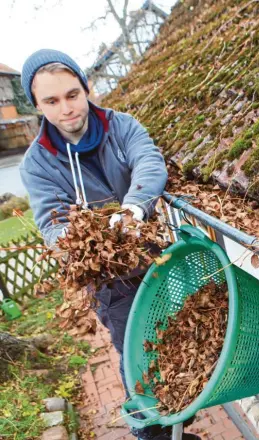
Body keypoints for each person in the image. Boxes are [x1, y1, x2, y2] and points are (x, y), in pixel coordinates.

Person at [20, 49, 199, 440]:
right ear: (37, 106)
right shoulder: (36, 164)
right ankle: (150, 432)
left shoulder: (121, 126)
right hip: (108, 279)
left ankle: (179, 418)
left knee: (175, 336)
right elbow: (52, 223)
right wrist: (81, 241)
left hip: (154, 258)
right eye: (51, 101)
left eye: (72, 94)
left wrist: (134, 210)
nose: (65, 108)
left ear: (86, 89)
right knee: (138, 350)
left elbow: (149, 163)